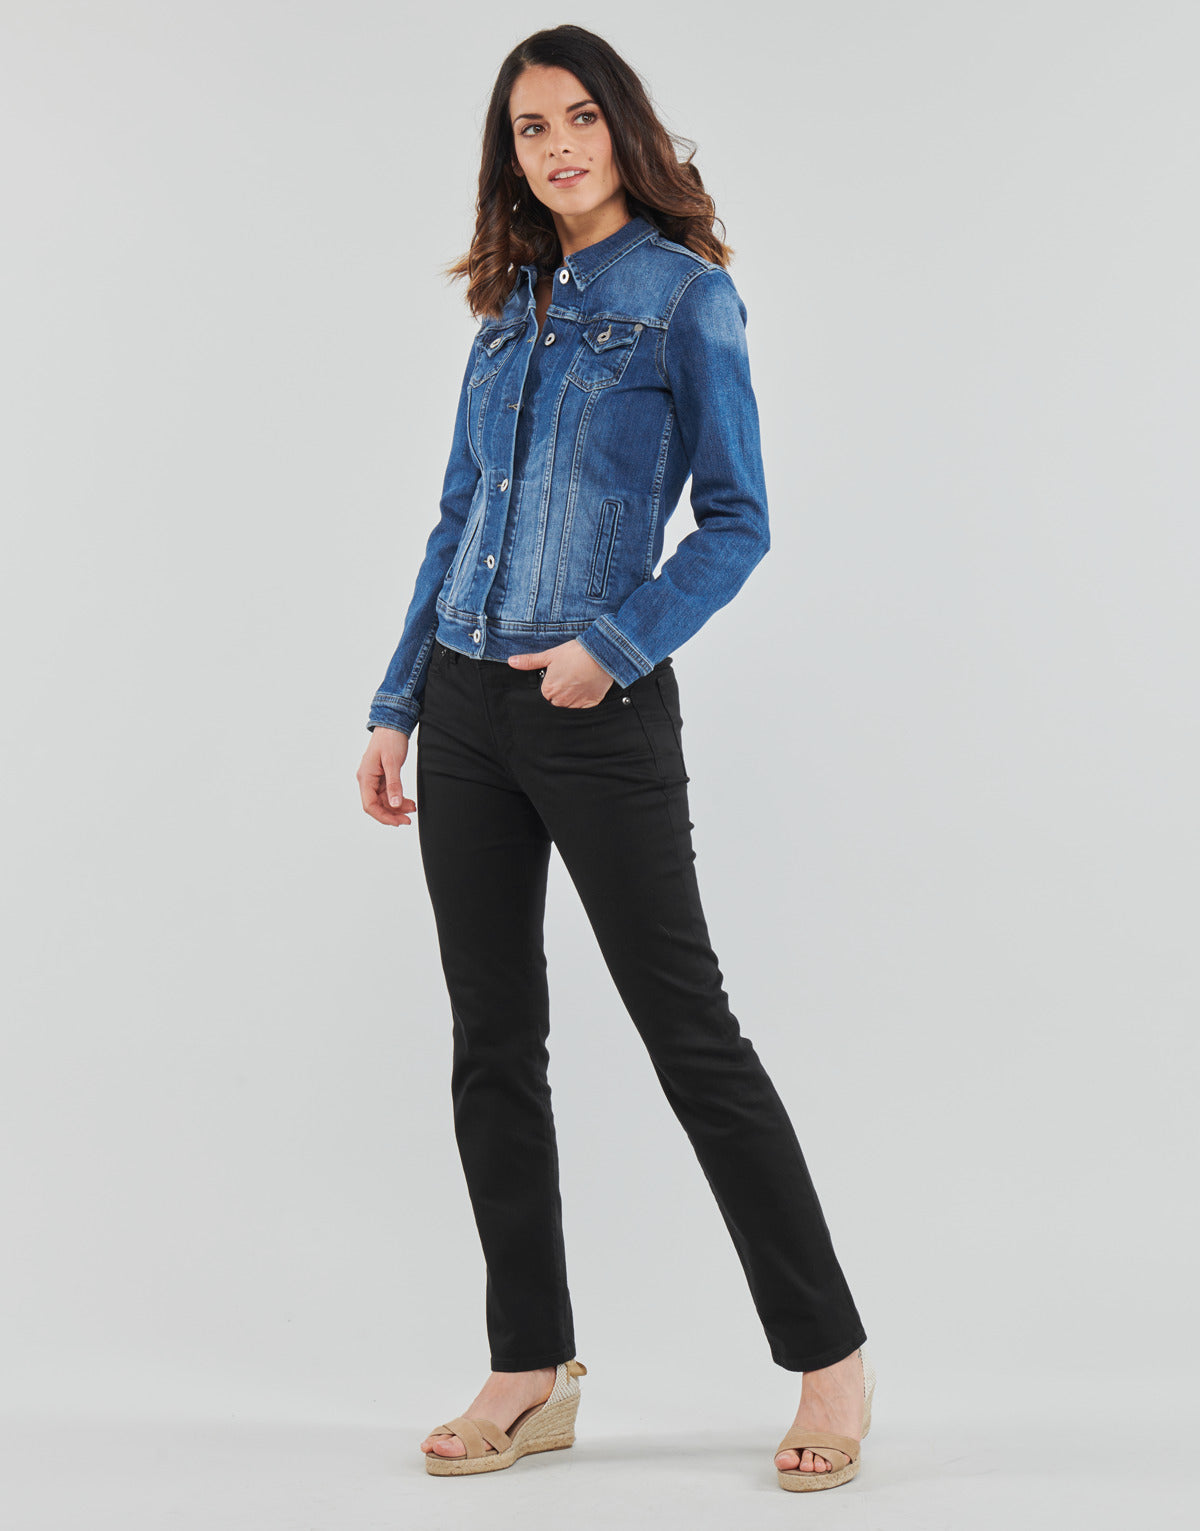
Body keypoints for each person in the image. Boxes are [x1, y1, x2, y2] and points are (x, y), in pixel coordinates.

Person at [356, 24, 876, 1492]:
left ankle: (830, 1362)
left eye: (580, 118)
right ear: (509, 155)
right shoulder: (505, 311)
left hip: (598, 709)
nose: (558, 147)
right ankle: (530, 1369)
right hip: (466, 707)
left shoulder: (686, 297)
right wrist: (397, 702)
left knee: (689, 1035)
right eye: (531, 128)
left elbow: (738, 520)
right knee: (490, 1042)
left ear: (623, 129)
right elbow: (455, 519)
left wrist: (617, 644)